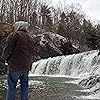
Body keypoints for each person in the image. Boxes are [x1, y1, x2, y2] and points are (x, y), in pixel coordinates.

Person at [2, 21, 36, 100]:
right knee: (24, 86)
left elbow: (8, 49)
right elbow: (32, 52)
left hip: (15, 65)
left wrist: (4, 59)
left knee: (11, 85)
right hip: (26, 66)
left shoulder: (14, 35)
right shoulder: (31, 38)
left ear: (18, 26)